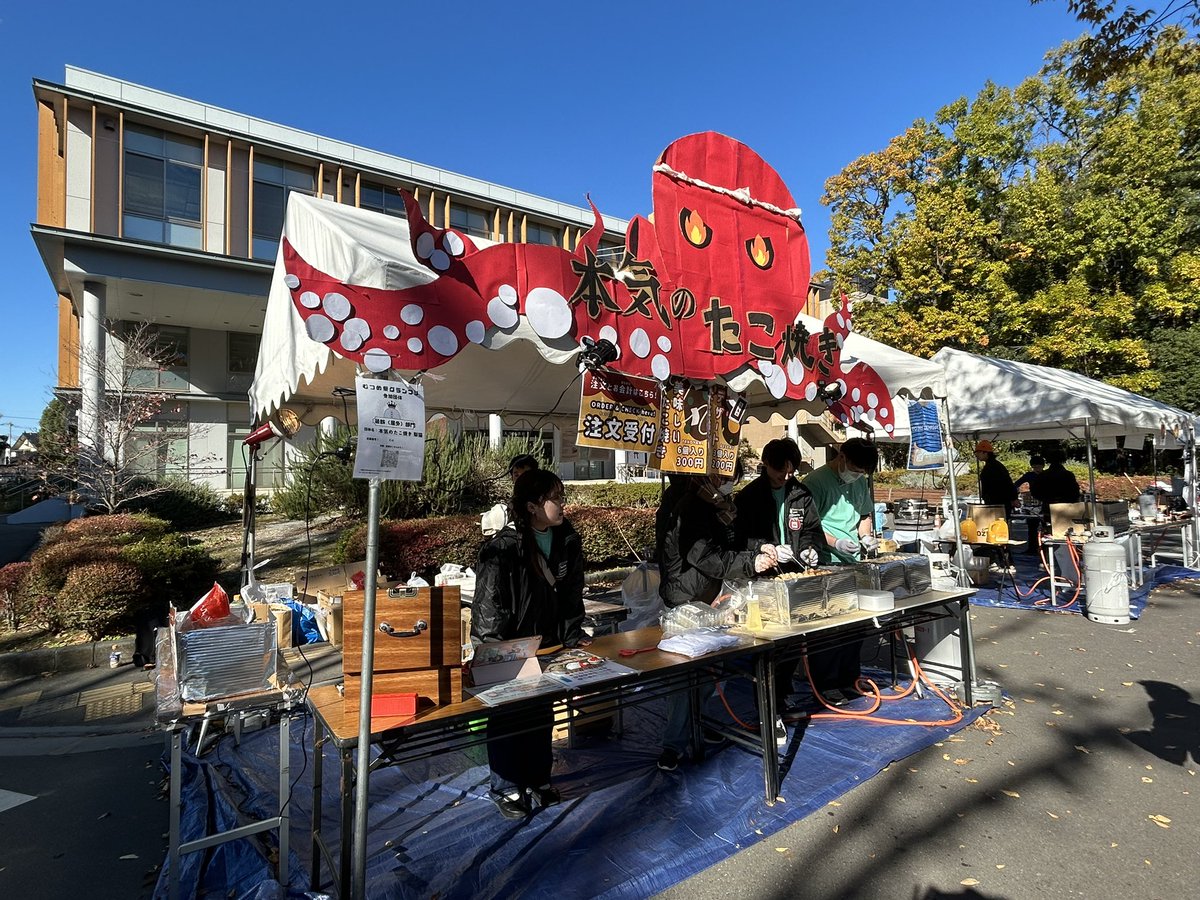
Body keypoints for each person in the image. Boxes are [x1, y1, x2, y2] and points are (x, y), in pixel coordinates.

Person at [472, 468, 585, 818]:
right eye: (556, 498)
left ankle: (538, 778)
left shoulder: (566, 538)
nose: (563, 504)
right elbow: (489, 604)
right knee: (507, 718)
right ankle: (506, 786)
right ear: (534, 505)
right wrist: (494, 651)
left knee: (541, 714)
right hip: (512, 647)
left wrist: (571, 637)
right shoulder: (504, 548)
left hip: (549, 644)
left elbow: (571, 594)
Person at [655, 464, 777, 770]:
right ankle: (672, 744)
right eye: (724, 479)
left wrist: (758, 546)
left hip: (711, 600)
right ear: (707, 474)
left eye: (730, 481)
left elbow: (730, 542)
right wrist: (751, 562)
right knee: (684, 678)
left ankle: (696, 725)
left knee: (710, 671)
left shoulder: (712, 502)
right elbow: (706, 556)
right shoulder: (684, 505)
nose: (727, 485)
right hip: (684, 601)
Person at [734, 438, 828, 722]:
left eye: (790, 472)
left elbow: (812, 529)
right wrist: (764, 547)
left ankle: (783, 696)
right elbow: (740, 539)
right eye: (780, 472)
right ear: (766, 465)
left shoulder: (800, 493)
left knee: (795, 640)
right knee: (769, 643)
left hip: (796, 575)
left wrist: (810, 549)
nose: (786, 477)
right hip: (763, 577)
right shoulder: (749, 497)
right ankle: (767, 705)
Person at [801, 438, 880, 701]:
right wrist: (835, 542)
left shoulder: (858, 482)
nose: (857, 475)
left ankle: (849, 679)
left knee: (855, 626)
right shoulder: (816, 482)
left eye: (861, 473)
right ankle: (825, 686)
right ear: (842, 457)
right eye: (855, 469)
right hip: (824, 562)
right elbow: (806, 526)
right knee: (828, 630)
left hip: (852, 563)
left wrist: (865, 536)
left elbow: (864, 515)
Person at [481, 454, 541, 536]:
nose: (520, 479)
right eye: (516, 475)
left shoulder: (544, 501)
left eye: (525, 474)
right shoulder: (513, 504)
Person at [975, 440, 1017, 519]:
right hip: (997, 503)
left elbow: (1007, 483)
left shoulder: (994, 467)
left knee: (998, 527)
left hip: (998, 503)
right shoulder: (993, 465)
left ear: (985, 453)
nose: (976, 455)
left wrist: (1014, 498)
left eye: (978, 452)